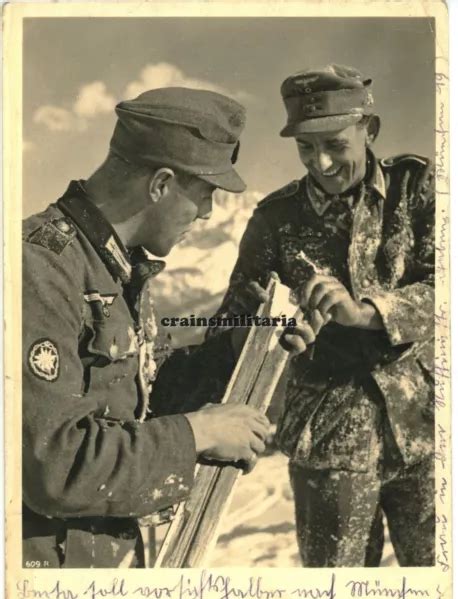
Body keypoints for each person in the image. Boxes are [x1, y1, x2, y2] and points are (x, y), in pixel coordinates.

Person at [22, 87, 280, 569]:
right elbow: (54, 466)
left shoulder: (119, 271)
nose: (207, 214)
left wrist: (238, 349)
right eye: (205, 194)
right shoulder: (38, 269)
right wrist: (197, 435)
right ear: (160, 184)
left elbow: (148, 402)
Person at [210, 64, 435, 567]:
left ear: (369, 130)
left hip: (427, 429)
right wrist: (276, 330)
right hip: (328, 443)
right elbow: (233, 324)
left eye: (336, 143)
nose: (322, 162)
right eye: (306, 148)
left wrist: (367, 313)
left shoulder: (417, 187)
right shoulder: (274, 220)